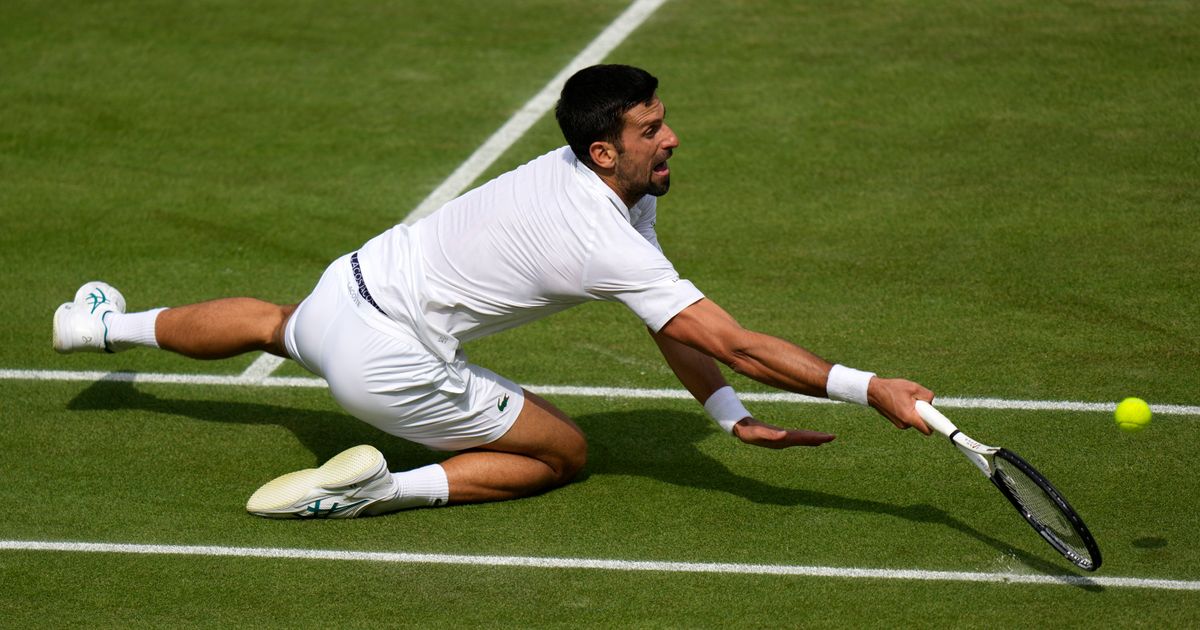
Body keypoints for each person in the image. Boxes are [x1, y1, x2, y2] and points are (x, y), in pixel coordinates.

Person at [52, 64, 935, 519]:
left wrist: (724, 415)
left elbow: (677, 327)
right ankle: (374, 492)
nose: (672, 138)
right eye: (652, 128)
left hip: (346, 285)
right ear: (604, 151)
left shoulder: (598, 183)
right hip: (392, 361)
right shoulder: (604, 230)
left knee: (274, 324)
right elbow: (730, 339)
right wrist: (870, 388)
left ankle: (97, 328)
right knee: (563, 454)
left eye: (663, 118)